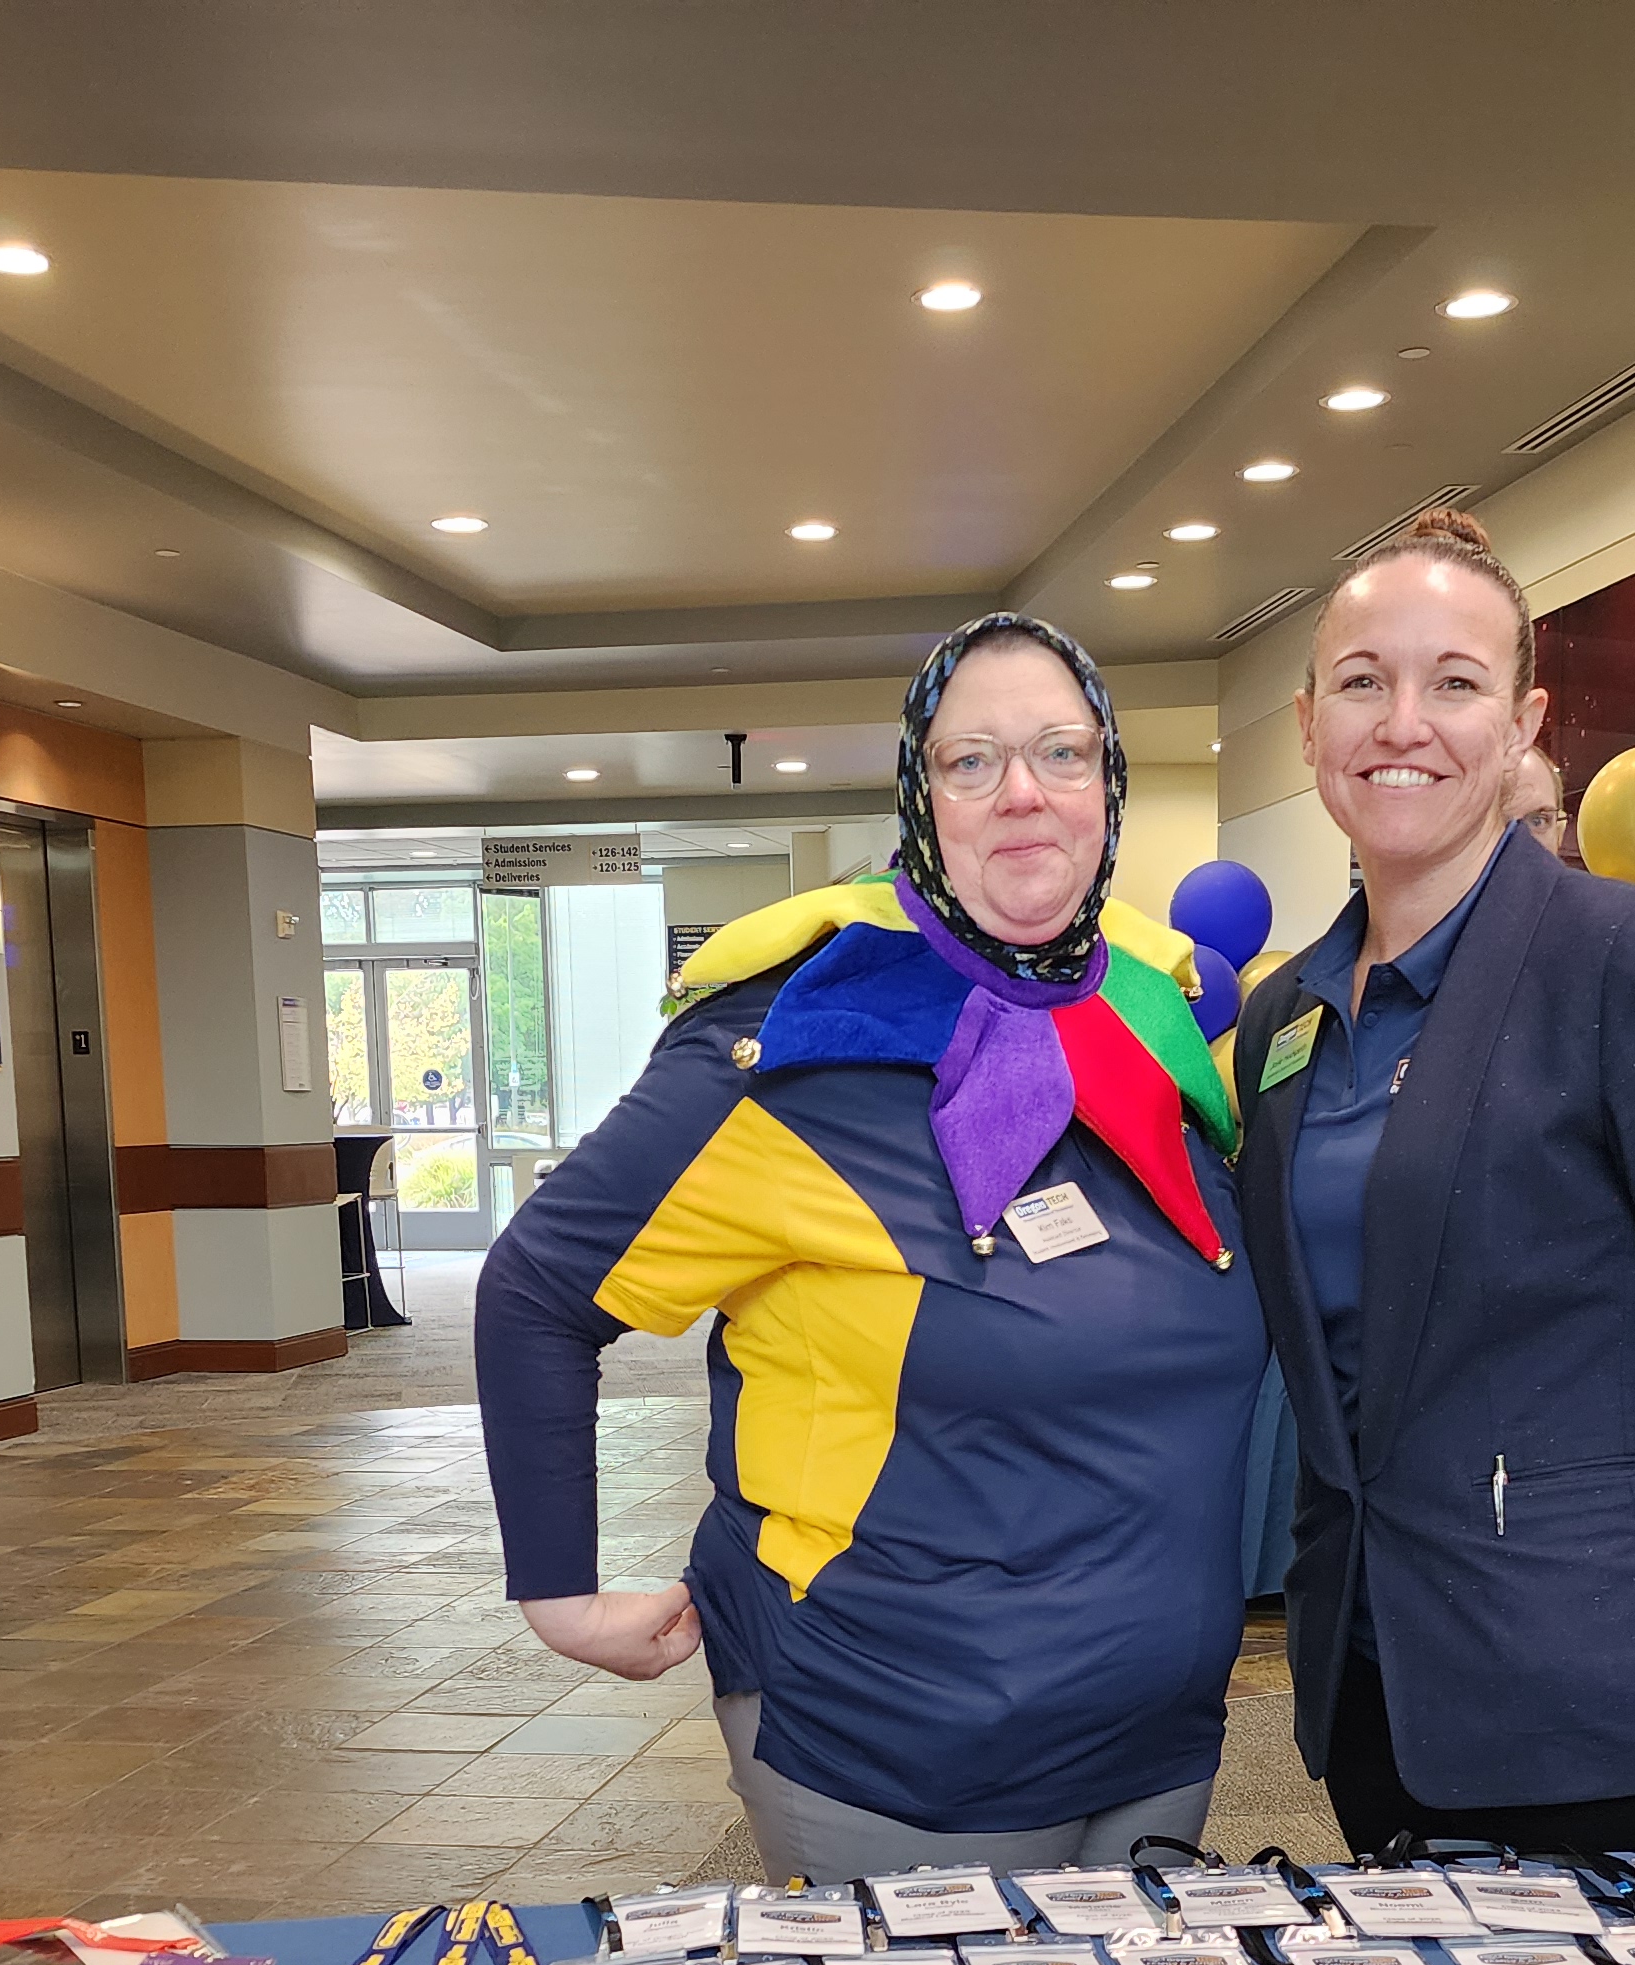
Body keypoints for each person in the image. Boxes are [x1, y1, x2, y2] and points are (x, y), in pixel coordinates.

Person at [474, 613, 1265, 1880]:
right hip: (898, 1738)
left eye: (1062, 754)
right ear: (919, 790)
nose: (1022, 793)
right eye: (972, 760)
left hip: (1160, 1728)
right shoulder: (791, 1040)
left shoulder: (1155, 1023)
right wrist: (559, 1591)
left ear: (1109, 786)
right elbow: (536, 1289)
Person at [1232, 510, 1635, 1856]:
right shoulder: (1285, 1018)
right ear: (1310, 728)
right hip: (1382, 1688)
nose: (1403, 721)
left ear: (1525, 719)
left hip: (1624, 1700)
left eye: (1455, 683)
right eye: (1363, 682)